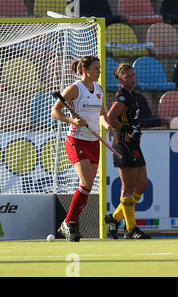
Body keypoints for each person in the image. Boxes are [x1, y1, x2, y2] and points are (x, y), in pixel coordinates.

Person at [51, 55, 118, 242]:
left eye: (99, 68)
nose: (99, 72)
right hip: (76, 140)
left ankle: (68, 222)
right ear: (85, 70)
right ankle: (70, 223)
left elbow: (102, 115)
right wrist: (72, 120)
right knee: (87, 181)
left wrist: (109, 128)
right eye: (96, 68)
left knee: (86, 187)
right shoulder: (74, 89)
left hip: (93, 142)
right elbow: (55, 111)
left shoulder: (99, 89)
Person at [104, 63, 151, 239]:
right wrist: (127, 128)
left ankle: (114, 218)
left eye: (133, 75)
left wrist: (134, 128)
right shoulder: (122, 97)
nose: (132, 78)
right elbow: (110, 117)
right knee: (128, 187)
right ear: (120, 79)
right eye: (127, 76)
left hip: (134, 144)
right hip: (124, 144)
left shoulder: (133, 95)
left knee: (142, 185)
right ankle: (130, 229)